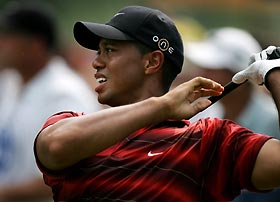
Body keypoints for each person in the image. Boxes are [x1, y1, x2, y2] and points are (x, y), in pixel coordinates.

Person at [34, 5, 280, 201]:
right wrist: (162, 106)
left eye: (109, 50)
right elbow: (54, 147)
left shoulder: (207, 141)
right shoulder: (69, 123)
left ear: (152, 62)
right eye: (98, 51)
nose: (96, 62)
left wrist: (275, 76)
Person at [0, 1, 102, 201]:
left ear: (35, 45)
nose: (0, 43)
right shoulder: (9, 81)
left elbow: (73, 173)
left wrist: (4, 194)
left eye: (7, 37)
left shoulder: (66, 94)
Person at [184, 27, 280, 201]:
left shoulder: (272, 120)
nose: (202, 73)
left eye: (211, 67)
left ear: (238, 73)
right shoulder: (205, 114)